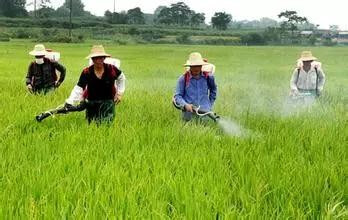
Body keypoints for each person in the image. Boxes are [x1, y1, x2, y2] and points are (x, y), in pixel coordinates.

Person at [65, 45, 126, 123]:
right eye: (95, 58)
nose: (98, 60)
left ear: (104, 58)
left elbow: (121, 78)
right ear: (92, 59)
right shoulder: (86, 72)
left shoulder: (112, 69)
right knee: (91, 125)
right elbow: (79, 87)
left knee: (106, 125)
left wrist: (119, 93)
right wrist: (70, 101)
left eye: (101, 57)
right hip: (91, 103)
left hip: (108, 103)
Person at [173, 52, 217, 122]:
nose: (196, 68)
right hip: (189, 114)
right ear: (190, 66)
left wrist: (209, 104)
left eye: (198, 65)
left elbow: (213, 90)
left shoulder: (208, 77)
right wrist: (185, 105)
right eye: (194, 66)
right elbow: (177, 96)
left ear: (201, 66)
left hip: (206, 113)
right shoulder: (183, 79)